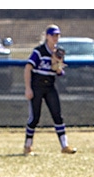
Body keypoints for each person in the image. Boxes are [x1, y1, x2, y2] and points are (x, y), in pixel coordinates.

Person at [23, 24, 77, 156]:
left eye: (57, 35)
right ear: (47, 36)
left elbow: (58, 72)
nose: (55, 38)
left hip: (50, 86)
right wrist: (28, 88)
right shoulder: (39, 51)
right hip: (37, 85)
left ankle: (64, 146)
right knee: (35, 118)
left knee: (57, 115)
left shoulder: (58, 52)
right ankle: (28, 146)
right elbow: (28, 68)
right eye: (53, 35)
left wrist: (56, 63)